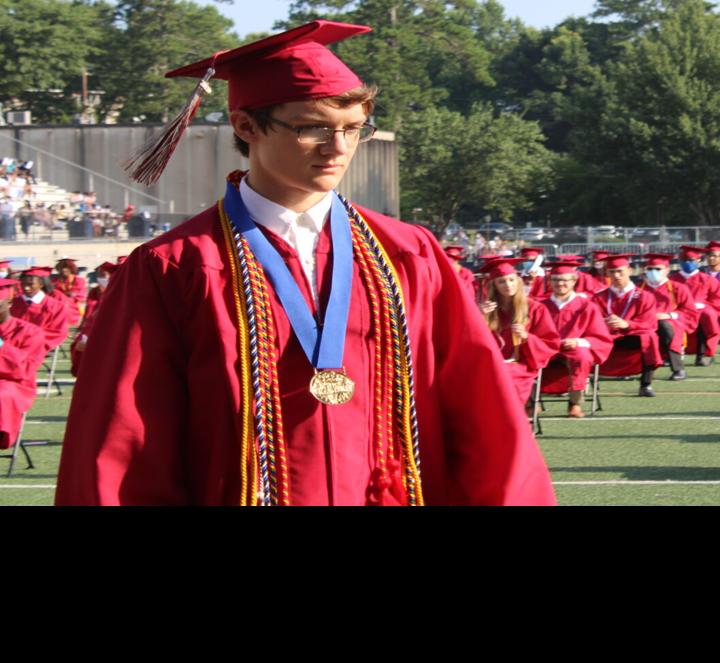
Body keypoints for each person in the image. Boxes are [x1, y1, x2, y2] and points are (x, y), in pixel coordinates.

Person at [57, 20, 555, 505]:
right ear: (246, 126)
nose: (338, 149)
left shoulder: (408, 255)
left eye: (354, 129)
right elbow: (127, 440)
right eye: (313, 128)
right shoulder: (178, 267)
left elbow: (481, 411)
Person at [479, 257, 560, 415]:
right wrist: (479, 317)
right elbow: (469, 341)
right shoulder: (486, 310)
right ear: (494, 286)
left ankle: (511, 420)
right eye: (502, 281)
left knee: (505, 376)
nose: (508, 285)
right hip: (489, 363)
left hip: (521, 364)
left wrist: (527, 337)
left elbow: (550, 343)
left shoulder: (535, 309)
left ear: (518, 281)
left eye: (511, 280)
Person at [534, 256, 613, 417]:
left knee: (582, 356)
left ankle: (575, 403)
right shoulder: (539, 304)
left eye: (565, 280)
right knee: (526, 355)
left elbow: (600, 336)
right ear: (550, 281)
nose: (560, 284)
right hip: (544, 347)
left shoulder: (587, 306)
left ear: (574, 281)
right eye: (555, 279)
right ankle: (532, 403)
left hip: (572, 348)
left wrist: (578, 341)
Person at [590, 254, 663, 397]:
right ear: (607, 273)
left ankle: (646, 384)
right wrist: (602, 323)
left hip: (631, 335)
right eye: (612, 272)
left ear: (629, 271)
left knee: (650, 337)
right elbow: (590, 320)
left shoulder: (644, 296)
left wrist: (627, 324)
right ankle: (588, 381)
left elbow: (649, 323)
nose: (616, 276)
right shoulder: (598, 297)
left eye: (620, 271)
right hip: (605, 336)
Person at [1, 278, 51, 451]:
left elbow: (26, 368)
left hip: (17, 385)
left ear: (8, 301)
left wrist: (1, 346)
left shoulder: (30, 332)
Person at [636, 253, 689, 383]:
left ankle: (678, 368)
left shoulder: (678, 288)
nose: (653, 272)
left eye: (658, 269)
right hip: (642, 323)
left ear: (667, 270)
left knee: (665, 326)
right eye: (649, 269)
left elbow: (689, 311)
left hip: (670, 321)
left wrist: (669, 315)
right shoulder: (637, 289)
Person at [669, 244, 720, 366]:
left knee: (708, 316)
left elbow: (718, 301)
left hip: (701, 311)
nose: (688, 263)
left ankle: (705, 354)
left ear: (698, 260)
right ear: (680, 261)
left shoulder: (708, 280)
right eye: (684, 260)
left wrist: (703, 305)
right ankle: (670, 355)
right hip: (679, 312)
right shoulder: (672, 280)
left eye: (691, 260)